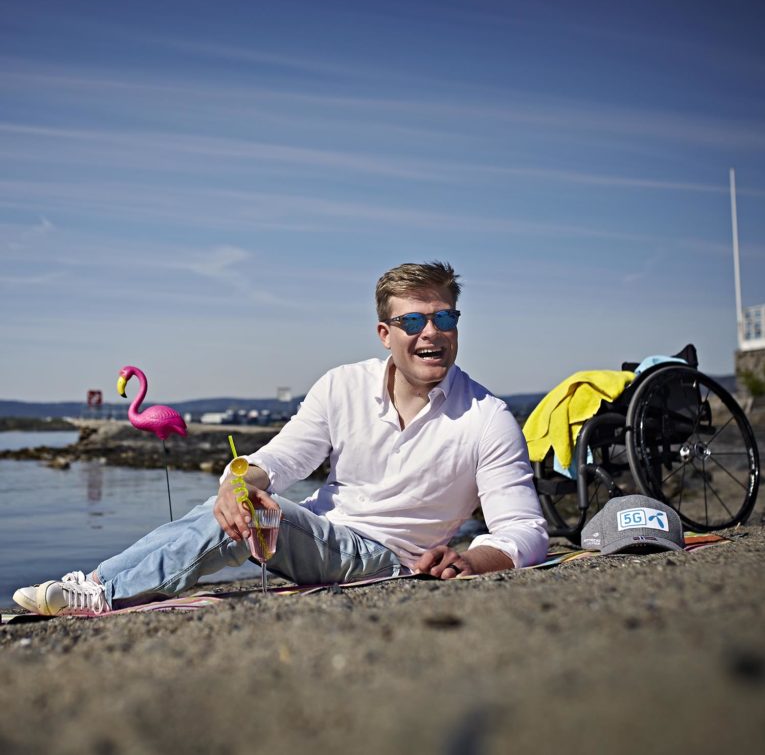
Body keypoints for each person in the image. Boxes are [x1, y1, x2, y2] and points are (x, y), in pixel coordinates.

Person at [14, 261, 548, 616]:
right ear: (385, 334)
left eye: (443, 317)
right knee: (245, 502)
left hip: (388, 560)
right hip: (322, 536)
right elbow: (279, 458)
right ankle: (100, 583)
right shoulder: (343, 385)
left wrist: (474, 562)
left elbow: (523, 528)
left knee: (255, 515)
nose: (430, 332)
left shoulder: (488, 418)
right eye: (412, 320)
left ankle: (102, 592)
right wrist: (238, 481)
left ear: (456, 324)